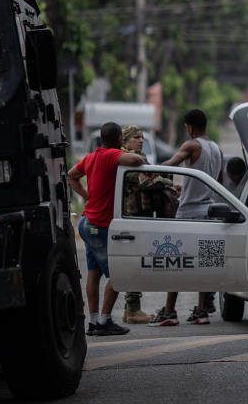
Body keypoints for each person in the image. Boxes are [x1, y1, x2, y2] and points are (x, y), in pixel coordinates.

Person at [68, 122, 144, 336]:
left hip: (86, 223)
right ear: (119, 138)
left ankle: (93, 321)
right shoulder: (112, 155)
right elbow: (136, 160)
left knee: (94, 273)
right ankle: (104, 320)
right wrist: (135, 156)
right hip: (99, 225)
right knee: (119, 274)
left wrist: (87, 196)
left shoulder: (91, 157)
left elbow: (71, 175)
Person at [149, 109, 223, 326]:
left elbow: (172, 163)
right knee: (205, 264)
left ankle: (169, 312)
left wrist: (149, 169)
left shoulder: (191, 145)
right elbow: (217, 183)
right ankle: (201, 311)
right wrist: (189, 188)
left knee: (176, 263)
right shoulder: (216, 149)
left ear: (190, 127)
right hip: (209, 212)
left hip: (189, 213)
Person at [119, 124, 170, 324]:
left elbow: (153, 177)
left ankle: (129, 310)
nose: (141, 140)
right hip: (131, 217)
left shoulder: (138, 157)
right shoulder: (126, 159)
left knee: (137, 262)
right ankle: (133, 309)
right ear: (125, 141)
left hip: (140, 217)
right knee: (134, 263)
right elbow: (146, 181)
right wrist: (169, 185)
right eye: (136, 137)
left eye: (142, 137)